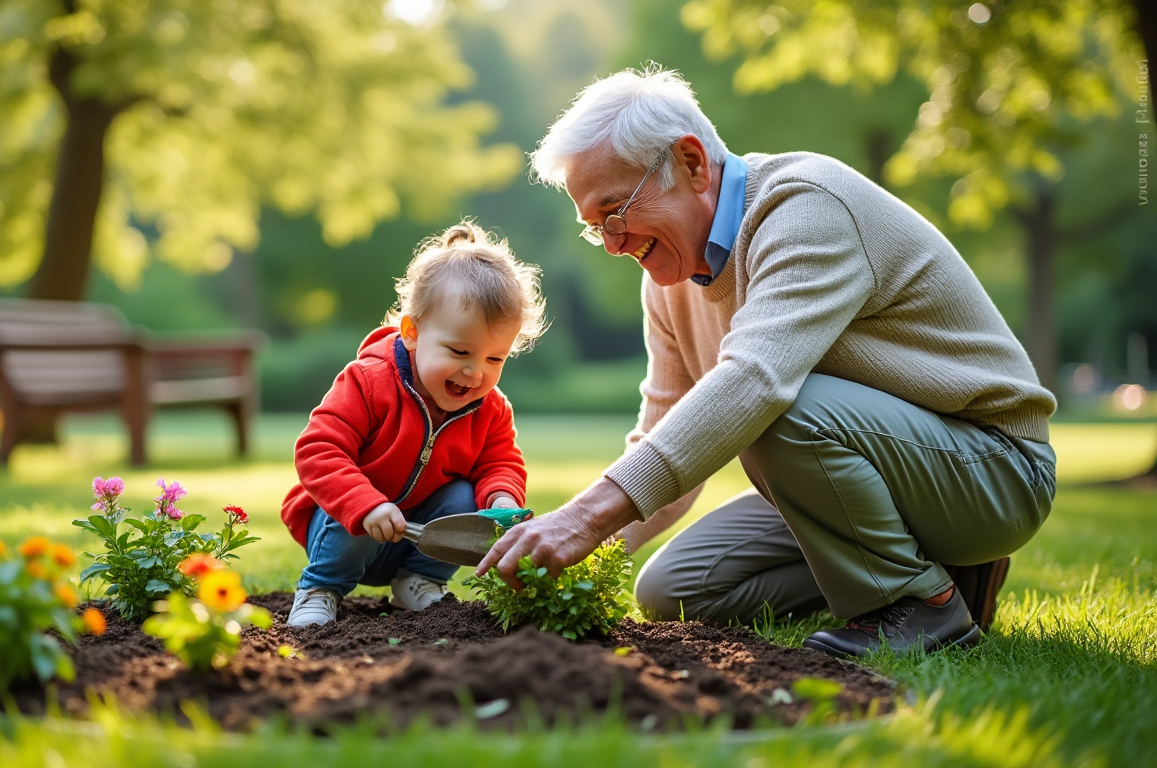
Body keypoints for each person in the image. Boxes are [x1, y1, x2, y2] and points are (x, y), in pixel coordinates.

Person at [476, 66, 1057, 658]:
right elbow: (664, 436)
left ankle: (917, 606)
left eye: (615, 210)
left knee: (772, 406)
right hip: (874, 469)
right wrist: (562, 552)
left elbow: (754, 382)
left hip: (994, 470)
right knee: (674, 589)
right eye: (594, 227)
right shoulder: (668, 281)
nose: (613, 243)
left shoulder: (805, 207)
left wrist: (585, 518)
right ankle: (945, 576)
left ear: (692, 163)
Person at [282, 220, 547, 627]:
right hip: (346, 530)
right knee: (355, 495)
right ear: (412, 333)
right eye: (460, 351)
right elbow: (318, 450)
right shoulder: (369, 382)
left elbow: (500, 463)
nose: (475, 372)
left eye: (495, 359)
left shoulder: (490, 408)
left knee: (465, 496)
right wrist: (364, 504)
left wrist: (502, 499)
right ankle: (319, 588)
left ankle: (419, 580)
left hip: (416, 536)